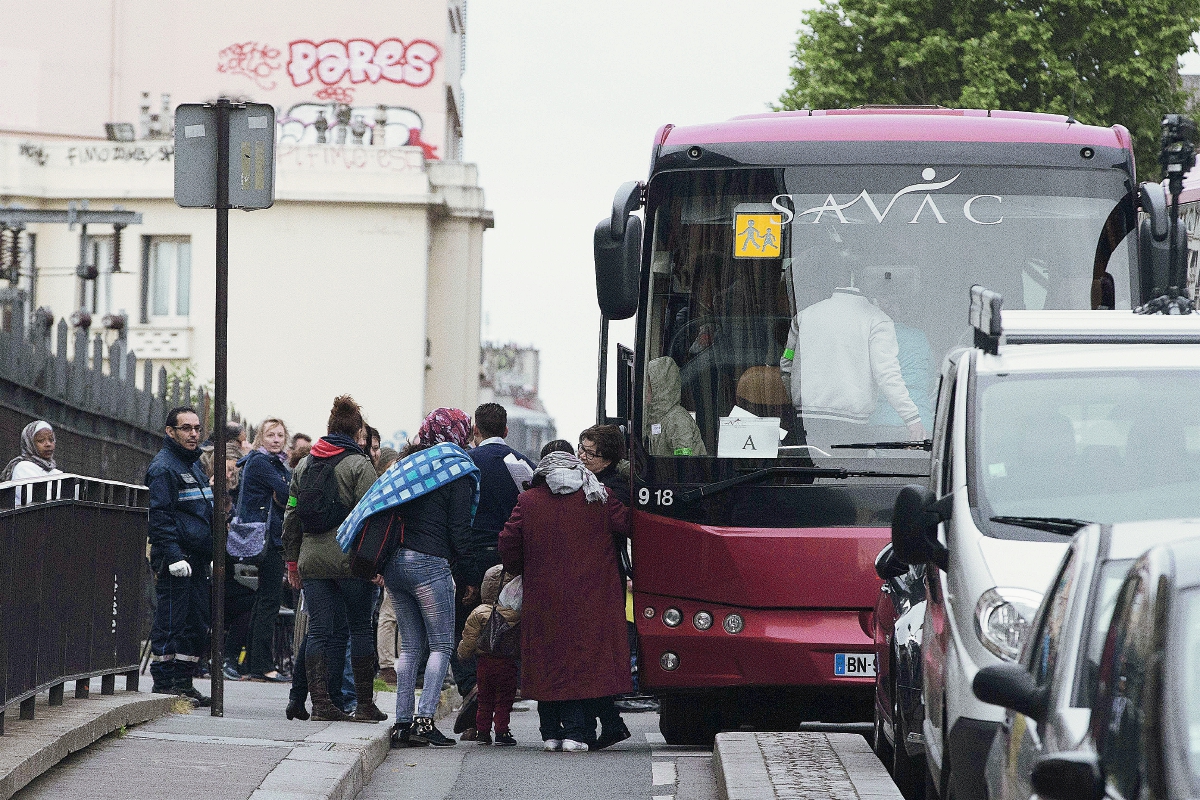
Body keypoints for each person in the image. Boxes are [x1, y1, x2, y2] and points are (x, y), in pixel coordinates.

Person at [342, 408, 479, 748]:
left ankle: (402, 722)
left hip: (395, 565)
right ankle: (424, 720)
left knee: (411, 646)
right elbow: (460, 531)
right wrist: (469, 576)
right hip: (430, 564)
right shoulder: (457, 470)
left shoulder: (407, 465)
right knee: (441, 645)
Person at [500, 450, 632, 752]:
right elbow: (629, 525)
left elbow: (508, 541)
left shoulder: (528, 501)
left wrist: (520, 567)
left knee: (547, 658)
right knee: (586, 661)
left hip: (544, 595)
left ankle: (550, 733)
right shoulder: (600, 496)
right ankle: (578, 732)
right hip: (594, 594)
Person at [282, 395, 386, 723]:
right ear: (357, 434)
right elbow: (372, 517)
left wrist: (292, 562)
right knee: (360, 628)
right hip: (350, 561)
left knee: (319, 631)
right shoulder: (359, 465)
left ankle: (321, 704)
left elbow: (291, 514)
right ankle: (365, 705)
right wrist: (375, 563)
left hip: (312, 561)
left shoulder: (304, 465)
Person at [453, 403, 535, 739]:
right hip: (510, 561)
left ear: (475, 430)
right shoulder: (523, 464)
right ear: (505, 430)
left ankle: (472, 691)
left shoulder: (464, 462)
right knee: (506, 629)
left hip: (471, 556)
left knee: (467, 628)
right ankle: (498, 706)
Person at [780, 268, 926, 445]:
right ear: (872, 293)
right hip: (851, 424)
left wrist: (796, 397)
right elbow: (886, 374)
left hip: (805, 417)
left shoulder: (804, 316)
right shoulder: (878, 320)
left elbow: (787, 362)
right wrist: (912, 418)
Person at [146, 406, 214, 707]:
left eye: (197, 428)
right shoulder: (164, 468)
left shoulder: (192, 465)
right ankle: (165, 683)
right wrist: (172, 555)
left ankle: (184, 682)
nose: (194, 434)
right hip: (177, 558)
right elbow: (160, 516)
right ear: (170, 432)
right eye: (186, 428)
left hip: (196, 558)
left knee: (195, 622)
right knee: (172, 620)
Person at [577, 424, 636, 747]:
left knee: (594, 653)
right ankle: (608, 723)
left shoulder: (615, 488)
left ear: (608, 458)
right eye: (581, 449)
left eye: (590, 453)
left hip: (605, 576)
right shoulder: (587, 480)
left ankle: (603, 724)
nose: (582, 457)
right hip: (592, 574)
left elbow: (623, 526)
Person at [237, 417, 292, 682]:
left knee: (263, 601)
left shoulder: (275, 463)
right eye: (271, 435)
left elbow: (286, 492)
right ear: (261, 437)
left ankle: (251, 665)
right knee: (269, 601)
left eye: (280, 435)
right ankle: (262, 665)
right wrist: (283, 496)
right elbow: (289, 491)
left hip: (269, 537)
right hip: (267, 538)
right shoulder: (261, 462)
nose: (276, 439)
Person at [457, 564, 521, 746]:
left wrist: (462, 654)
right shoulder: (516, 613)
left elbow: (469, 639)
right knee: (504, 700)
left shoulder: (478, 612)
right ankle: (502, 731)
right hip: (507, 664)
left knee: (484, 699)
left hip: (484, 664)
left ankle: (483, 731)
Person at [374, 446, 402, 686]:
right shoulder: (384, 492)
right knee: (390, 614)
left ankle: (398, 663)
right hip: (390, 558)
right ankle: (387, 665)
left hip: (396, 558)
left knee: (399, 615)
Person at [644, 356, 706, 457]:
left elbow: (684, 461)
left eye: (648, 388)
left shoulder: (677, 419)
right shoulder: (658, 418)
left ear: (661, 389)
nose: (644, 394)